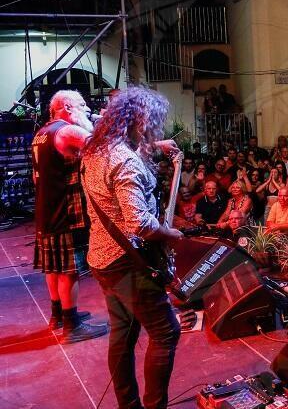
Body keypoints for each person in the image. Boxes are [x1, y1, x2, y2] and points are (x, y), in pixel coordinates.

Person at [81, 87, 184, 409]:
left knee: (123, 333)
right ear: (139, 121)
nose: (154, 127)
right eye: (151, 122)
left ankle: (128, 404)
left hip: (102, 259)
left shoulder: (96, 148)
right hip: (128, 264)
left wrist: (154, 146)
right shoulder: (125, 161)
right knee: (165, 332)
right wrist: (171, 234)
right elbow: (139, 223)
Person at [31, 90, 107, 342]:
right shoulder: (68, 131)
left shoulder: (42, 133)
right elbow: (104, 150)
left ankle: (59, 316)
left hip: (46, 209)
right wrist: (108, 124)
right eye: (82, 105)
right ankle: (72, 327)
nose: (87, 109)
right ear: (66, 106)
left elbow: (35, 176)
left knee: (53, 268)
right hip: (65, 212)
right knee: (68, 271)